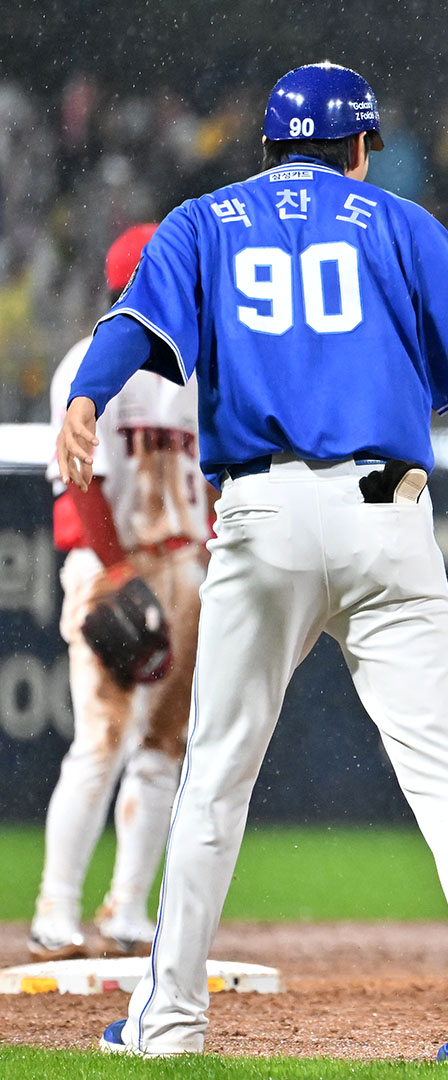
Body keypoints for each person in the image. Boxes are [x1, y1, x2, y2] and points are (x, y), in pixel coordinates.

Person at [55, 62, 448, 1062]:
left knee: (217, 775)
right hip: (386, 515)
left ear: (268, 146)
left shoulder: (204, 221)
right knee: (443, 773)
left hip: (262, 516)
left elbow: (129, 330)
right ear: (364, 147)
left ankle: (169, 1019)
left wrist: (88, 398)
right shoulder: (399, 226)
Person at [30, 223, 209, 963]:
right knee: (101, 741)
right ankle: (54, 914)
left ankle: (129, 911)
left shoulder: (196, 369)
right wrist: (115, 569)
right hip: (114, 565)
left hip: (185, 566)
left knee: (165, 746)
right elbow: (83, 485)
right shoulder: (87, 365)